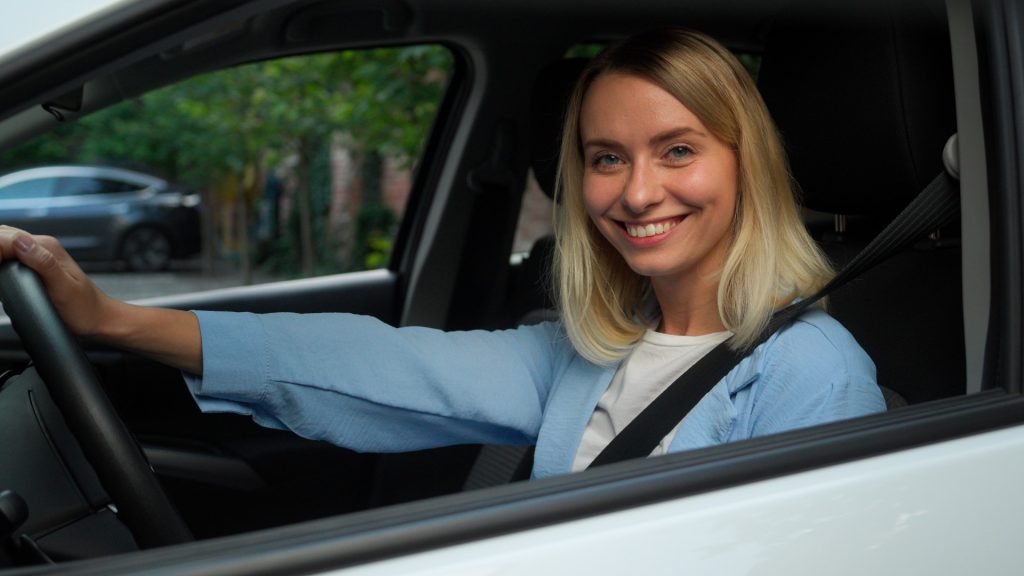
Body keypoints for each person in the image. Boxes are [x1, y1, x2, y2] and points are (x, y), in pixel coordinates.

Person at [0, 28, 884, 479]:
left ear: (747, 164)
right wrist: (110, 318)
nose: (638, 192)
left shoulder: (811, 372)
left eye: (678, 151)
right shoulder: (589, 349)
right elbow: (373, 364)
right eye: (606, 158)